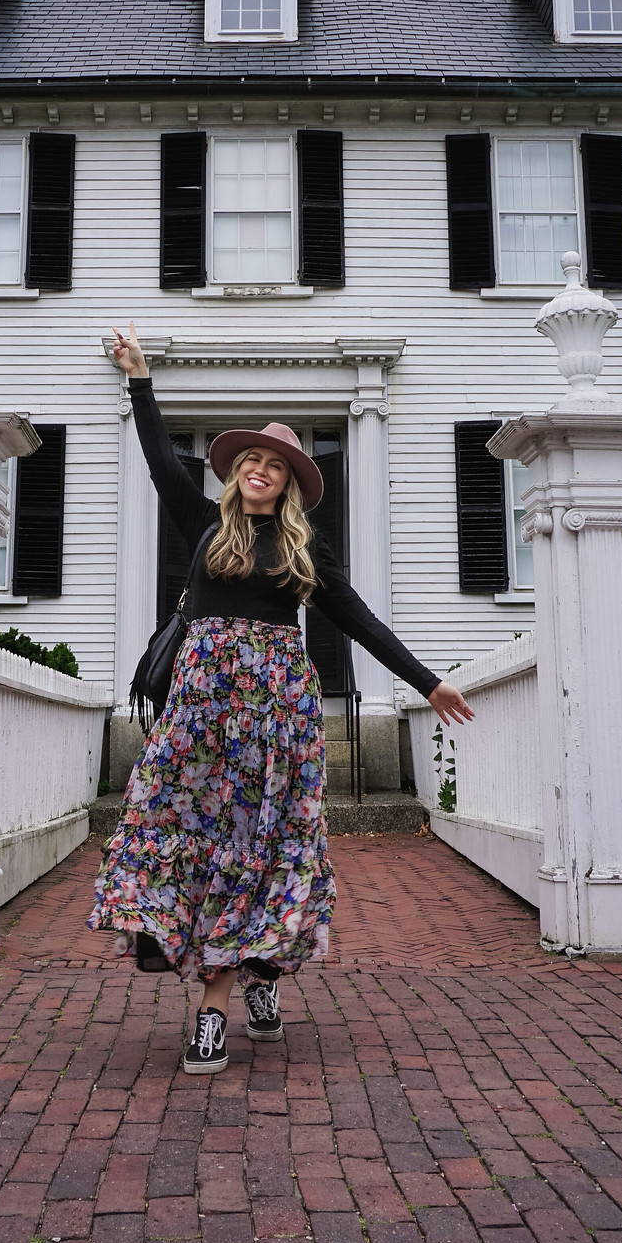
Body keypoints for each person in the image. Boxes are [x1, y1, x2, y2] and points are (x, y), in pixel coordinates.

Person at [90, 323, 474, 1075]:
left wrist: (427, 680)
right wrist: (139, 379)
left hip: (275, 721)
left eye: (276, 464)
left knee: (260, 846)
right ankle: (235, 976)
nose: (261, 469)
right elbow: (159, 457)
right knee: (181, 834)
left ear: (291, 483)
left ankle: (232, 997)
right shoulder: (202, 525)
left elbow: (358, 620)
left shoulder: (304, 553)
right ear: (236, 473)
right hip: (198, 718)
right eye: (252, 460)